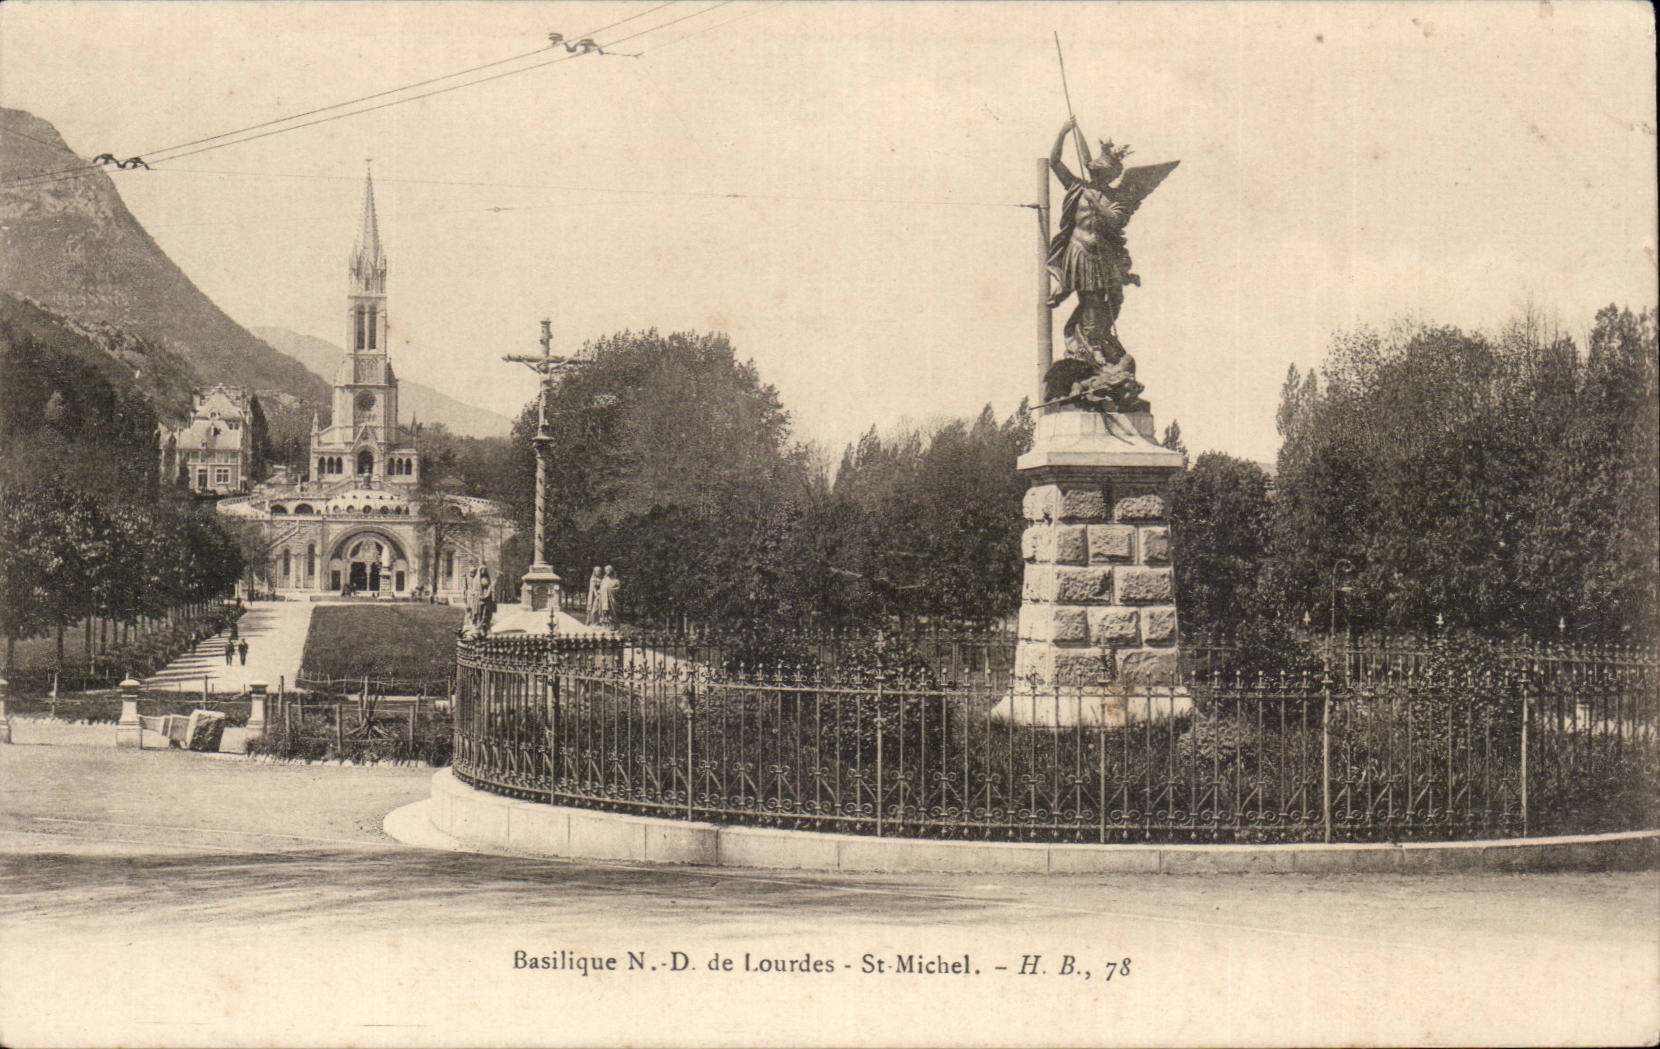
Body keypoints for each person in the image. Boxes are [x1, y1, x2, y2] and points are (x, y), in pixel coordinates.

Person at [1043, 117, 1174, 412]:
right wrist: (1065, 131)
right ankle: (1094, 352)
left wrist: (1126, 272)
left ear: (1112, 173)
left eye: (1105, 171)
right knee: (1092, 303)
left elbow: (1115, 229)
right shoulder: (1077, 187)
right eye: (1096, 169)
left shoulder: (1116, 197)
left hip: (1104, 258)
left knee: (1112, 301)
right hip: (1080, 254)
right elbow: (1054, 161)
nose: (1099, 173)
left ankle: (1099, 349)